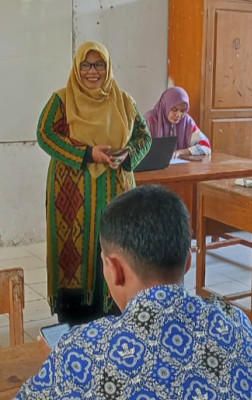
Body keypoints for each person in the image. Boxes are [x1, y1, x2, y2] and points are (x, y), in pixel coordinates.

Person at [16, 185, 252, 399]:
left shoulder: (83, 351)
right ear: (188, 261)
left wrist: (60, 366)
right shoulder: (236, 324)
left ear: (114, 270)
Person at [37, 41, 152, 326]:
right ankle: (74, 316)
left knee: (116, 248)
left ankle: (114, 313)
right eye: (86, 65)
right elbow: (45, 135)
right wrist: (87, 154)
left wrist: (128, 156)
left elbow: (144, 137)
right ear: (77, 68)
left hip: (117, 191)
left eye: (98, 64)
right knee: (74, 252)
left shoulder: (124, 100)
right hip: (72, 196)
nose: (92, 71)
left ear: (107, 67)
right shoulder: (62, 100)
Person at [144, 86, 211, 158]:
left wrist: (179, 152)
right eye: (174, 109)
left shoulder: (187, 121)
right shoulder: (150, 120)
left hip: (178, 167)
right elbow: (137, 149)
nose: (178, 115)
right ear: (166, 105)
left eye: (183, 111)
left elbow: (206, 146)